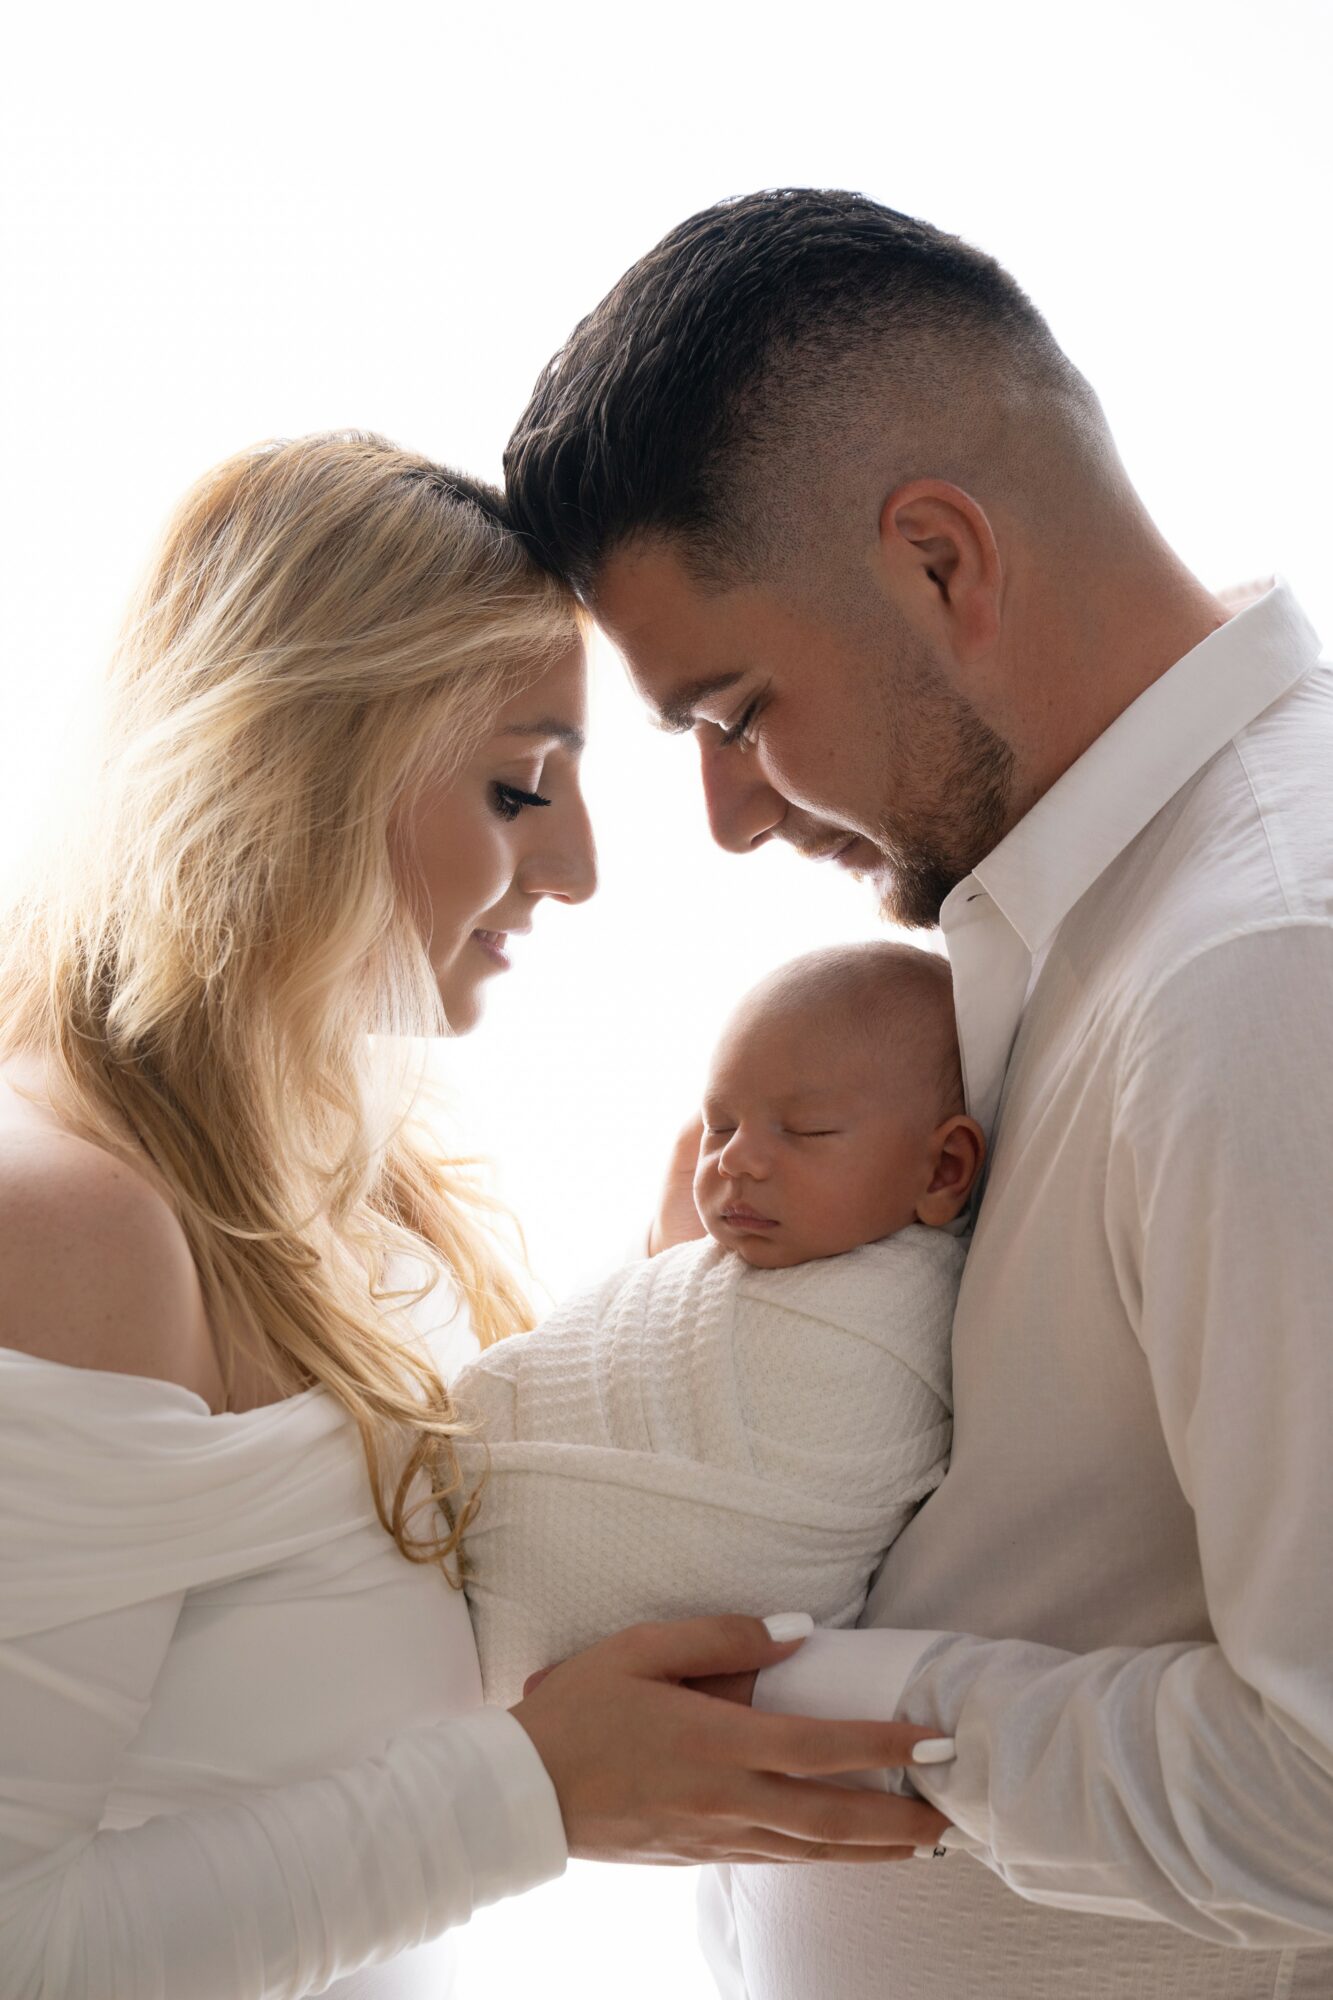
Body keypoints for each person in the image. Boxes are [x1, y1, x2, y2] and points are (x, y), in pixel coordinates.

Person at [504, 190, 1333, 1997]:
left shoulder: (1259, 971)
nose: (725, 817)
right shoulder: (1066, 922)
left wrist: (773, 1708)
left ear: (939, 559)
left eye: (731, 713)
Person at [0, 431, 952, 2000]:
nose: (574, 869)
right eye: (518, 787)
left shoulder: (359, 1160)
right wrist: (535, 1796)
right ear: (289, 766)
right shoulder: (72, 1234)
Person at [455, 942, 982, 1707]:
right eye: (718, 1125)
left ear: (941, 1172)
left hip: (702, 1691)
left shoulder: (916, 1314)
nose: (739, 1160)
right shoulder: (683, 1275)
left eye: (803, 1130)